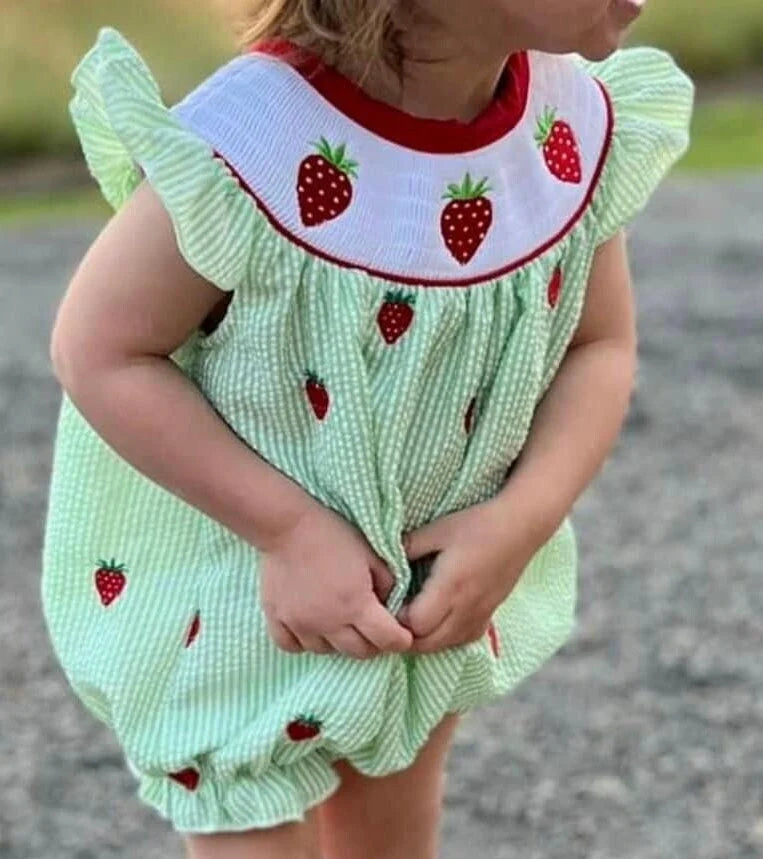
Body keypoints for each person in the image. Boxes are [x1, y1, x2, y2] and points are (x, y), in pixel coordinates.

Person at [41, 0, 693, 856]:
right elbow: (101, 348)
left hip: (418, 591)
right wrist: (288, 529)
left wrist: (520, 518)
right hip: (254, 604)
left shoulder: (561, 128)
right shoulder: (253, 141)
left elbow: (598, 345)